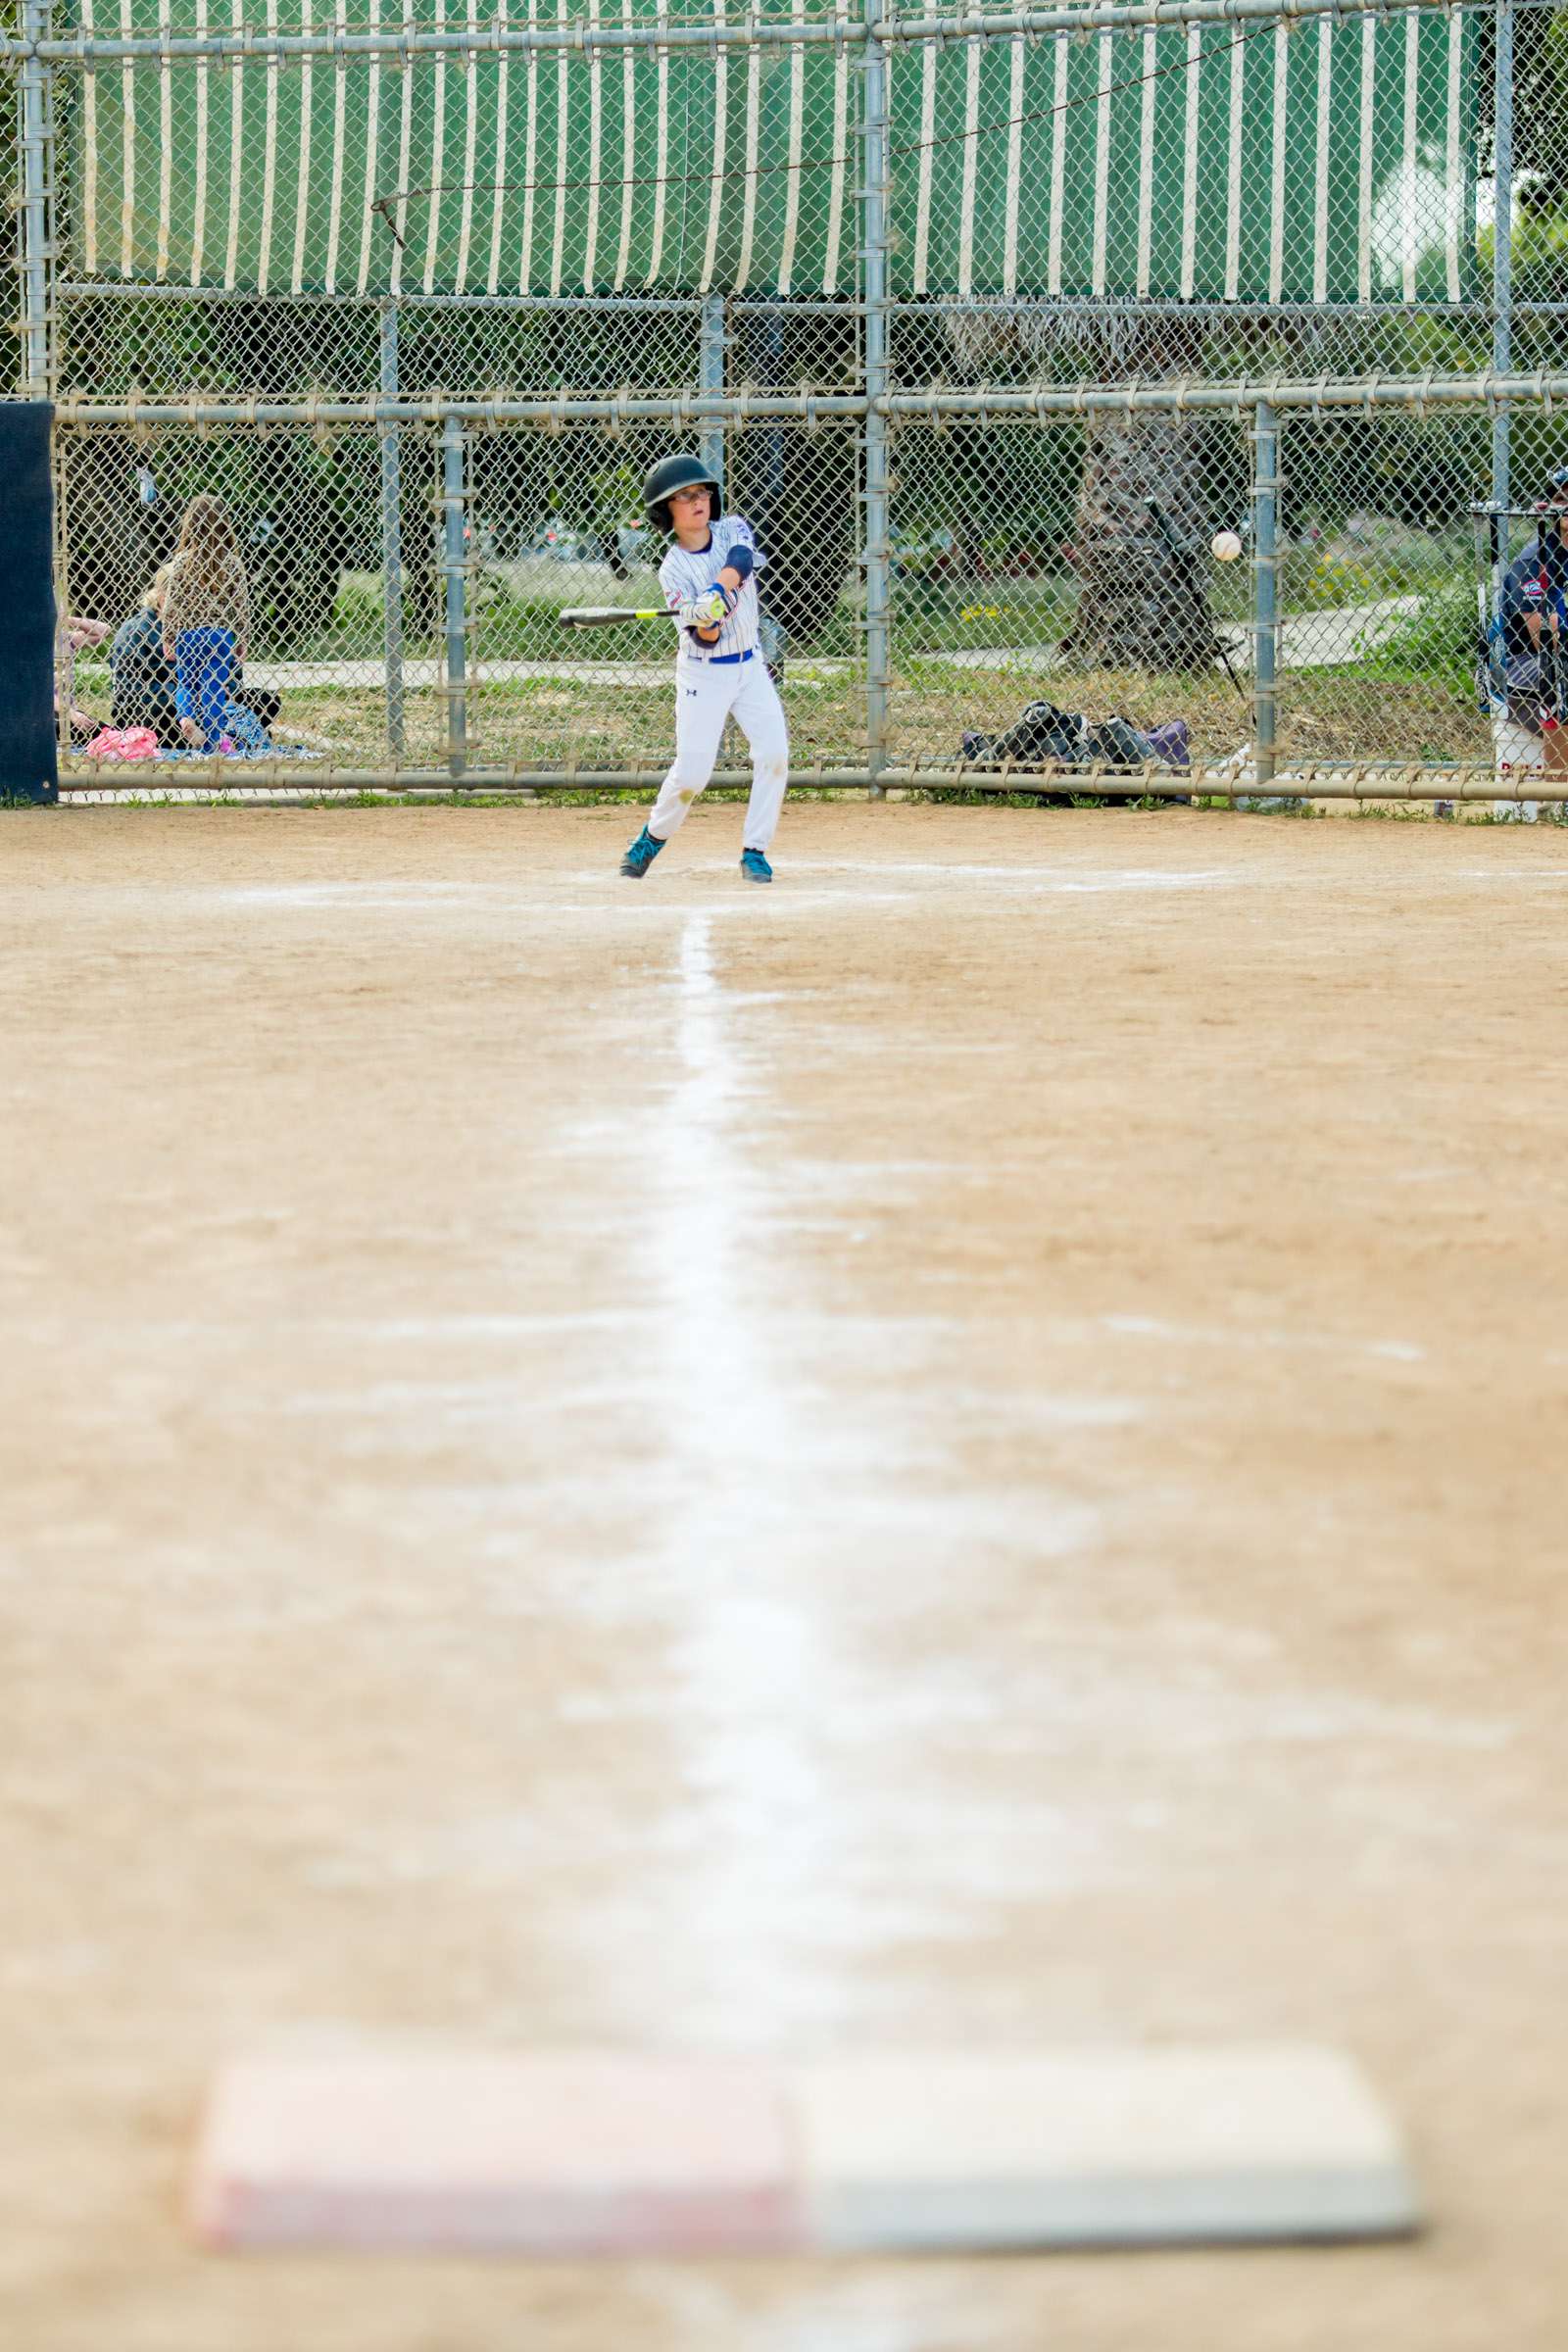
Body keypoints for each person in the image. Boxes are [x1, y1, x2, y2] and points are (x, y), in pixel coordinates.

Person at [618, 455, 789, 885]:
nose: (699, 501)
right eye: (685, 496)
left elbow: (740, 562)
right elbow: (703, 639)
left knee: (774, 756)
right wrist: (705, 618)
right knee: (693, 773)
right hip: (704, 674)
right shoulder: (673, 570)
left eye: (703, 492)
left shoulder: (732, 527)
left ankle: (755, 851)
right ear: (666, 511)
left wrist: (715, 592)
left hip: (750, 666)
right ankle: (652, 838)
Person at [111, 565, 279, 749]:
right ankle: (225, 735)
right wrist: (186, 696)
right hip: (159, 706)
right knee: (169, 712)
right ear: (162, 596)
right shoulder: (137, 630)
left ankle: (224, 733)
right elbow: (131, 691)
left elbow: (232, 674)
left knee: (267, 700)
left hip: (209, 698)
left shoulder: (204, 623)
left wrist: (224, 687)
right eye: (184, 596)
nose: (193, 602)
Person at [161, 494, 250, 752]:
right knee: (214, 686)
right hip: (219, 636)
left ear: (190, 524)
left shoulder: (180, 563)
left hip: (188, 635)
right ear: (225, 524)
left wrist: (168, 636)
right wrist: (243, 638)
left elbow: (172, 605)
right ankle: (213, 739)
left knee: (186, 683)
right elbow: (241, 606)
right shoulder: (232, 563)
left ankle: (187, 717)